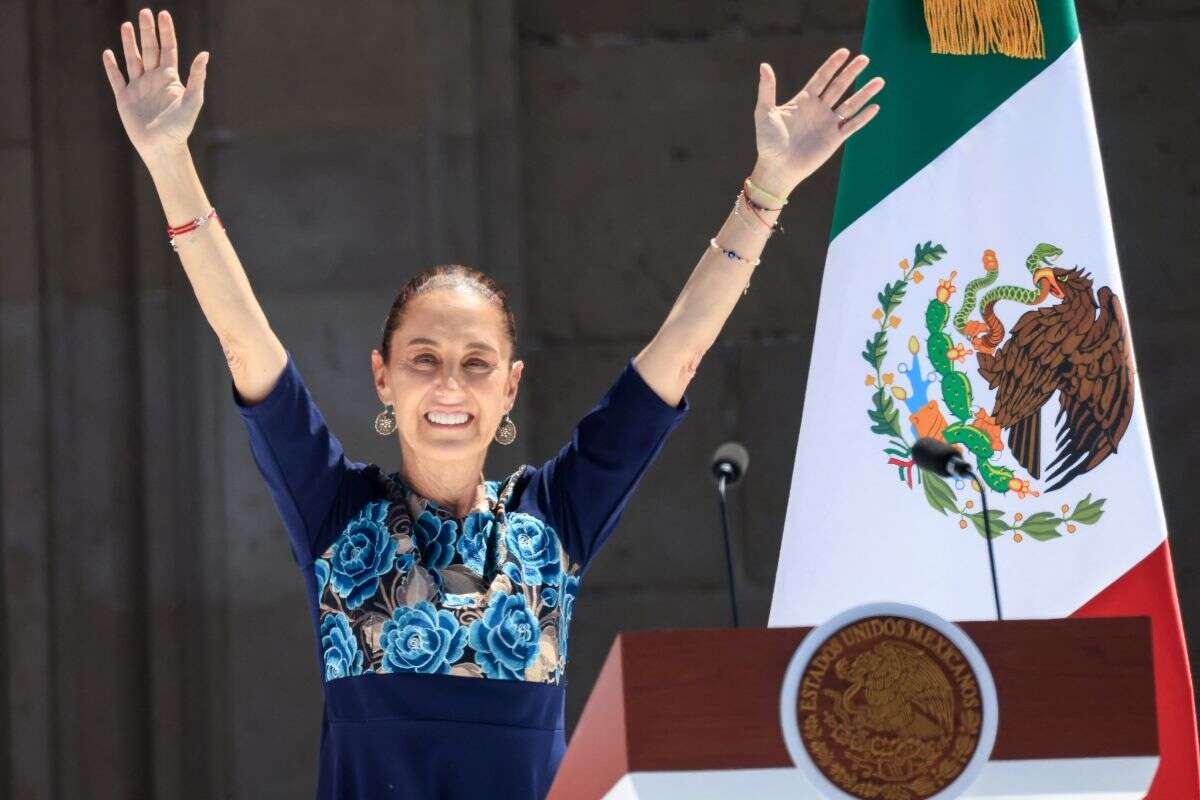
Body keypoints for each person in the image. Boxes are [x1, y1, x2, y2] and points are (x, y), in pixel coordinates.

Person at [101, 7, 884, 799]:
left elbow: (678, 351)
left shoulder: (556, 518)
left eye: (476, 363)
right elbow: (245, 339)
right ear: (383, 377)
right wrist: (169, 160)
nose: (448, 384)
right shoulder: (334, 514)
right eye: (424, 359)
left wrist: (770, 186)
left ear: (510, 386)